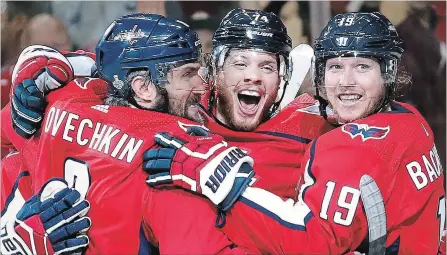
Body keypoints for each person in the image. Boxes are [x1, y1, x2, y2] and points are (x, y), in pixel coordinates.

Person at [2, 9, 333, 254]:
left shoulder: (61, 101)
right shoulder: (173, 156)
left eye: (266, 65)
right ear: (143, 88)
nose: (201, 82)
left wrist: (48, 60)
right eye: (189, 72)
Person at [144, 12, 445, 254]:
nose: (346, 82)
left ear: (282, 77)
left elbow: (315, 240)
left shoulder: (336, 138)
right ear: (216, 70)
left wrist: (221, 180)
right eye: (336, 67)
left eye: (363, 67)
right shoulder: (408, 118)